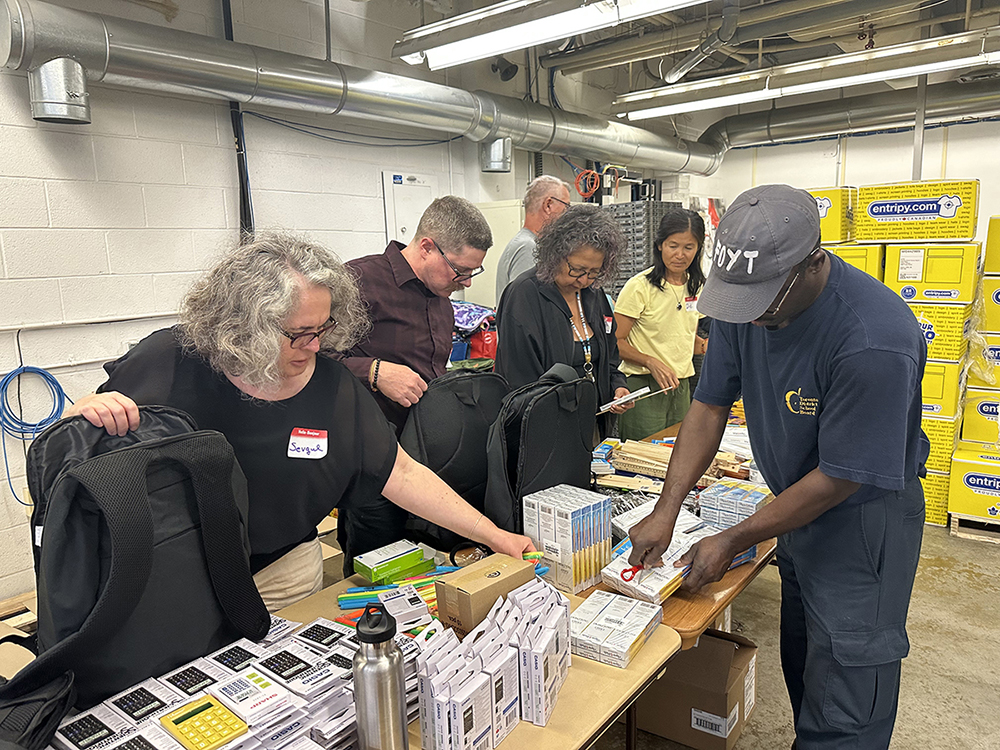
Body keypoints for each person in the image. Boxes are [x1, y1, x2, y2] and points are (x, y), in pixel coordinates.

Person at [65, 233, 533, 612]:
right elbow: (77, 443)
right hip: (178, 574)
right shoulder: (171, 357)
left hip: (284, 570)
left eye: (323, 329)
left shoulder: (335, 389)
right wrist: (83, 411)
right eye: (298, 333)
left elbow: (404, 474)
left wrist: (493, 536)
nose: (314, 346)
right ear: (241, 325)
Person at [627, 185, 928, 750]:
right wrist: (666, 510)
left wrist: (734, 537)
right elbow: (710, 403)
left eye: (762, 303)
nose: (750, 317)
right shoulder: (750, 298)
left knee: (847, 681)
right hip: (794, 506)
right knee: (805, 653)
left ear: (813, 262)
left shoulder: (874, 338)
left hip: (862, 521)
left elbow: (843, 475)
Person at [337, 196, 492, 434]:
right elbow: (310, 360)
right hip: (370, 440)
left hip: (424, 437)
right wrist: (374, 372)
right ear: (426, 247)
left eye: (473, 271)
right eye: (460, 271)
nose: (468, 282)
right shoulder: (358, 281)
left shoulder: (442, 299)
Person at [494, 203, 633, 441]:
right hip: (545, 433)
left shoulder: (592, 294)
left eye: (594, 272)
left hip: (594, 424)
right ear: (555, 254)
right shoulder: (524, 295)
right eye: (577, 269)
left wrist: (617, 388)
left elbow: (609, 357)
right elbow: (519, 381)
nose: (584, 280)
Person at [614, 208, 708, 440]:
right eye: (673, 245)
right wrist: (650, 361)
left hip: (681, 385)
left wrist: (707, 346)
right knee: (642, 458)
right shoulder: (640, 287)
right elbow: (615, 342)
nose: (680, 254)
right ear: (659, 245)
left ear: (698, 249)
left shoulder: (697, 287)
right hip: (643, 385)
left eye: (689, 247)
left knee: (678, 452)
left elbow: (683, 334)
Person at [494, 175, 572, 302]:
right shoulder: (528, 248)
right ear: (548, 205)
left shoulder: (528, 244)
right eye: (566, 207)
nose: (567, 215)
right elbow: (526, 304)